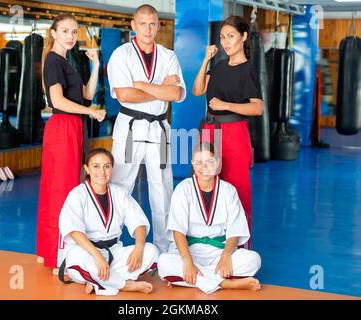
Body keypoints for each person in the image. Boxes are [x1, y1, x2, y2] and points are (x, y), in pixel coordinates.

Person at [107, 4, 186, 253]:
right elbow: (124, 95)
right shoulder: (121, 55)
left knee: (163, 188)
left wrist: (142, 85)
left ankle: (165, 250)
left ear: (159, 25)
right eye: (143, 23)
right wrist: (158, 87)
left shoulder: (168, 55)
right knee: (121, 185)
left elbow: (176, 92)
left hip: (159, 129)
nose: (148, 28)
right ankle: (111, 242)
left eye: (153, 23)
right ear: (133, 25)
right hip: (131, 128)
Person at [37, 13, 106, 272]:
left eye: (74, 32)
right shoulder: (54, 61)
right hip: (63, 127)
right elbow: (57, 101)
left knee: (64, 189)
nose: (71, 36)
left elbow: (86, 95)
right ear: (53, 33)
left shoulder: (66, 62)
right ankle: (56, 256)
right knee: (61, 192)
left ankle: (47, 252)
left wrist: (96, 65)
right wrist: (90, 112)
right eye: (65, 31)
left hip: (73, 127)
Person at [192, 16, 263, 249]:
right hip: (209, 131)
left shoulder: (248, 70)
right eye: (222, 37)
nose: (225, 42)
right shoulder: (220, 66)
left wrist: (227, 105)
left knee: (237, 187)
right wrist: (205, 59)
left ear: (243, 37)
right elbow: (197, 90)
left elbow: (257, 107)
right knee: (206, 184)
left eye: (231, 36)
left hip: (234, 132)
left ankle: (241, 248)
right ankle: (209, 245)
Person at [157, 142, 261, 294]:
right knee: (164, 262)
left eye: (209, 161)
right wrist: (187, 261)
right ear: (192, 164)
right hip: (188, 250)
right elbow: (177, 231)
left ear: (218, 163)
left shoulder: (228, 191)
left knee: (254, 260)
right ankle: (225, 283)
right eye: (198, 162)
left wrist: (226, 256)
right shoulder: (183, 189)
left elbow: (235, 229)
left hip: (219, 251)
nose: (203, 167)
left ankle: (190, 280)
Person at [58, 148, 158, 295]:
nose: (102, 172)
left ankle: (98, 281)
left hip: (114, 253)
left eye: (107, 166)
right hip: (88, 252)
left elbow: (139, 223)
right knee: (76, 257)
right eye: (96, 166)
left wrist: (139, 246)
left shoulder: (119, 193)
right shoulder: (77, 195)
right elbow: (74, 231)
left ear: (112, 168)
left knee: (151, 251)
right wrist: (97, 256)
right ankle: (124, 284)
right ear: (86, 169)